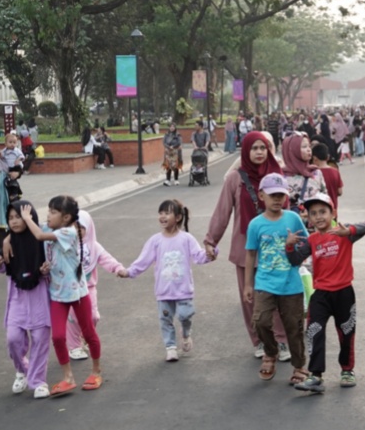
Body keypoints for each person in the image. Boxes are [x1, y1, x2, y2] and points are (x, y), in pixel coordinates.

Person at [203, 132, 291, 360]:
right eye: (255, 148)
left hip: (275, 247)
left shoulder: (276, 175)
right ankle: (259, 340)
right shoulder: (235, 178)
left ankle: (280, 341)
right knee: (249, 297)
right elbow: (223, 210)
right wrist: (211, 240)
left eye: (264, 147)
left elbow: (287, 211)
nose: (260, 152)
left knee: (277, 295)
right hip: (245, 248)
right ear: (246, 151)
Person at [20, 196, 103, 395]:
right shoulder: (51, 229)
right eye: (48, 211)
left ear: (65, 218)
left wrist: (26, 217)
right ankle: (68, 377)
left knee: (89, 332)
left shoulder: (69, 232)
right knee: (57, 336)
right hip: (57, 294)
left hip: (77, 293)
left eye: (53, 212)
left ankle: (96, 370)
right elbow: (30, 234)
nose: (48, 215)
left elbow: (38, 235)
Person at [291, 193, 365, 393]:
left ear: (333, 212)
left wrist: (349, 231)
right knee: (314, 331)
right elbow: (294, 260)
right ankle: (316, 376)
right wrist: (289, 245)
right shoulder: (312, 239)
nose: (318, 217)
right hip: (320, 295)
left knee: (346, 332)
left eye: (323, 212)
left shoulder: (344, 233)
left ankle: (347, 370)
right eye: (313, 213)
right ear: (308, 218)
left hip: (344, 292)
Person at [118, 199, 216, 362]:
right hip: (164, 291)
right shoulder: (155, 240)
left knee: (185, 315)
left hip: (183, 289)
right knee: (165, 319)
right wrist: (129, 272)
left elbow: (199, 257)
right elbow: (143, 260)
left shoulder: (186, 238)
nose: (162, 217)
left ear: (177, 217)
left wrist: (211, 253)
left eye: (167, 213)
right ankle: (170, 347)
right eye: (161, 213)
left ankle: (185, 333)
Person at [243, 173, 309, 384]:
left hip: (291, 284)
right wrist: (248, 284)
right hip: (265, 282)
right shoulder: (255, 224)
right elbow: (251, 254)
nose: (277, 199)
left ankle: (299, 366)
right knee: (260, 321)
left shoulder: (293, 218)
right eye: (273, 195)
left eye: (281, 195)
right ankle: (270, 352)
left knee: (294, 327)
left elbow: (306, 244)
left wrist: (295, 250)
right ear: (262, 195)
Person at [0, 200, 51, 399]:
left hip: (39, 296)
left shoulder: (41, 238)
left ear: (30, 217)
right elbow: (3, 268)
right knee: (13, 338)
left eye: (19, 217)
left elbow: (51, 260)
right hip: (17, 296)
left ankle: (38, 381)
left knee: (40, 340)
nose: (14, 221)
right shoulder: (9, 242)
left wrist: (44, 270)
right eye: (11, 218)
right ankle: (23, 370)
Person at [66, 210, 124, 360]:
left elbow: (107, 259)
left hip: (88, 288)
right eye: (72, 226)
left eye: (80, 227)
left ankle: (86, 335)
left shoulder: (93, 246)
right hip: (69, 289)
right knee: (72, 318)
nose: (76, 230)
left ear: (88, 228)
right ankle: (74, 347)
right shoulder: (65, 244)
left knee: (92, 316)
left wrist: (118, 268)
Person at [283, 133, 328, 215]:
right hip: (291, 224)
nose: (309, 149)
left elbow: (325, 197)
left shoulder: (316, 172)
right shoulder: (282, 176)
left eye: (309, 146)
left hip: (315, 223)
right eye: (304, 146)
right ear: (292, 150)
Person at [311, 143, 343, 213]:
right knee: (333, 224)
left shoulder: (313, 174)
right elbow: (340, 192)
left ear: (314, 158)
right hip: (332, 210)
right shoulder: (335, 171)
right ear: (327, 157)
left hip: (318, 212)